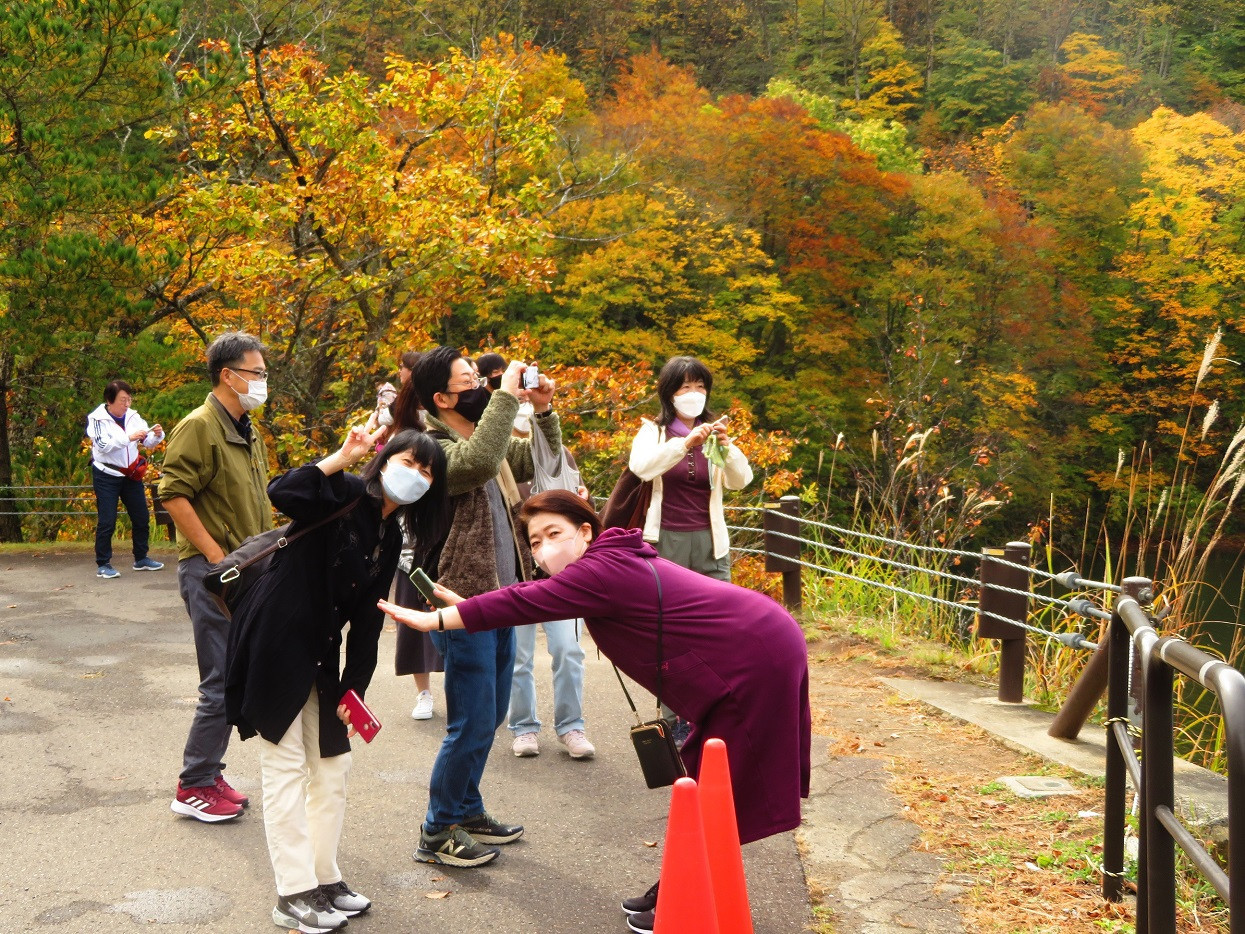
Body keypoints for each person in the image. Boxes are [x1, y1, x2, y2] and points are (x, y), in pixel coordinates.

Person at [378, 489, 811, 934]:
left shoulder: (602, 569)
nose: (545, 548)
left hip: (756, 661)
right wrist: (466, 605)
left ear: (585, 532)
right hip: (756, 647)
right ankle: (679, 887)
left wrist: (436, 621)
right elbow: (533, 594)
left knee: (724, 792)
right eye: (534, 541)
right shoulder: (603, 563)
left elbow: (523, 603)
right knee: (706, 785)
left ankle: (686, 905)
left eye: (555, 533)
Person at [226, 426, 449, 934]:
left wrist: (356, 688)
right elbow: (283, 492)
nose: (415, 476)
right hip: (275, 646)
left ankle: (324, 879)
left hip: (322, 655)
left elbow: (368, 621)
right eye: (409, 462)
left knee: (332, 767)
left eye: (427, 472)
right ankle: (292, 894)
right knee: (284, 768)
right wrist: (340, 459)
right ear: (386, 458)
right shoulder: (344, 493)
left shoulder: (392, 536)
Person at [404, 344, 561, 868]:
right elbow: (475, 465)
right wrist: (506, 399)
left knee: (490, 714)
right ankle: (437, 829)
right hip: (458, 600)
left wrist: (540, 411)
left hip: (499, 598)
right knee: (469, 721)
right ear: (442, 397)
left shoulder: (482, 438)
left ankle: (466, 807)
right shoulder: (429, 446)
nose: (482, 387)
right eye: (470, 380)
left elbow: (536, 461)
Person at [158, 331, 273, 823]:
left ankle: (209, 771)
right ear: (228, 375)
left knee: (237, 675)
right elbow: (172, 494)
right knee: (221, 679)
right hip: (214, 573)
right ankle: (194, 785)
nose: (264, 382)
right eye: (257, 373)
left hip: (246, 568)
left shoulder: (246, 429)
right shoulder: (200, 426)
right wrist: (216, 557)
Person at [629, 356, 753, 745]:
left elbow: (741, 481)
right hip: (665, 542)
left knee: (722, 629)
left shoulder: (713, 432)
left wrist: (726, 446)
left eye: (700, 387)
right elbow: (642, 468)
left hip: (710, 543)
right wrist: (685, 443)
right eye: (684, 388)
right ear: (669, 393)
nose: (693, 395)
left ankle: (714, 710)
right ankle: (675, 716)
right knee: (669, 634)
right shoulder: (654, 431)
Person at [508, 400, 595, 760]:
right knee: (518, 655)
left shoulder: (560, 455)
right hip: (517, 571)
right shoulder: (501, 459)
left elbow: (581, 505)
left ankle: (571, 726)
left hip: (562, 574)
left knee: (569, 649)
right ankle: (524, 727)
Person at [85, 380, 165, 579]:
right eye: (123, 400)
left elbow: (147, 442)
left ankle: (141, 558)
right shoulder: (97, 419)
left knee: (141, 517)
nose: (127, 404)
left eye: (129, 399)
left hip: (130, 474)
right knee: (107, 520)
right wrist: (129, 437)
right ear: (109, 400)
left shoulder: (133, 416)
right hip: (106, 474)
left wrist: (157, 435)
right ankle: (103, 563)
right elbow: (103, 445)